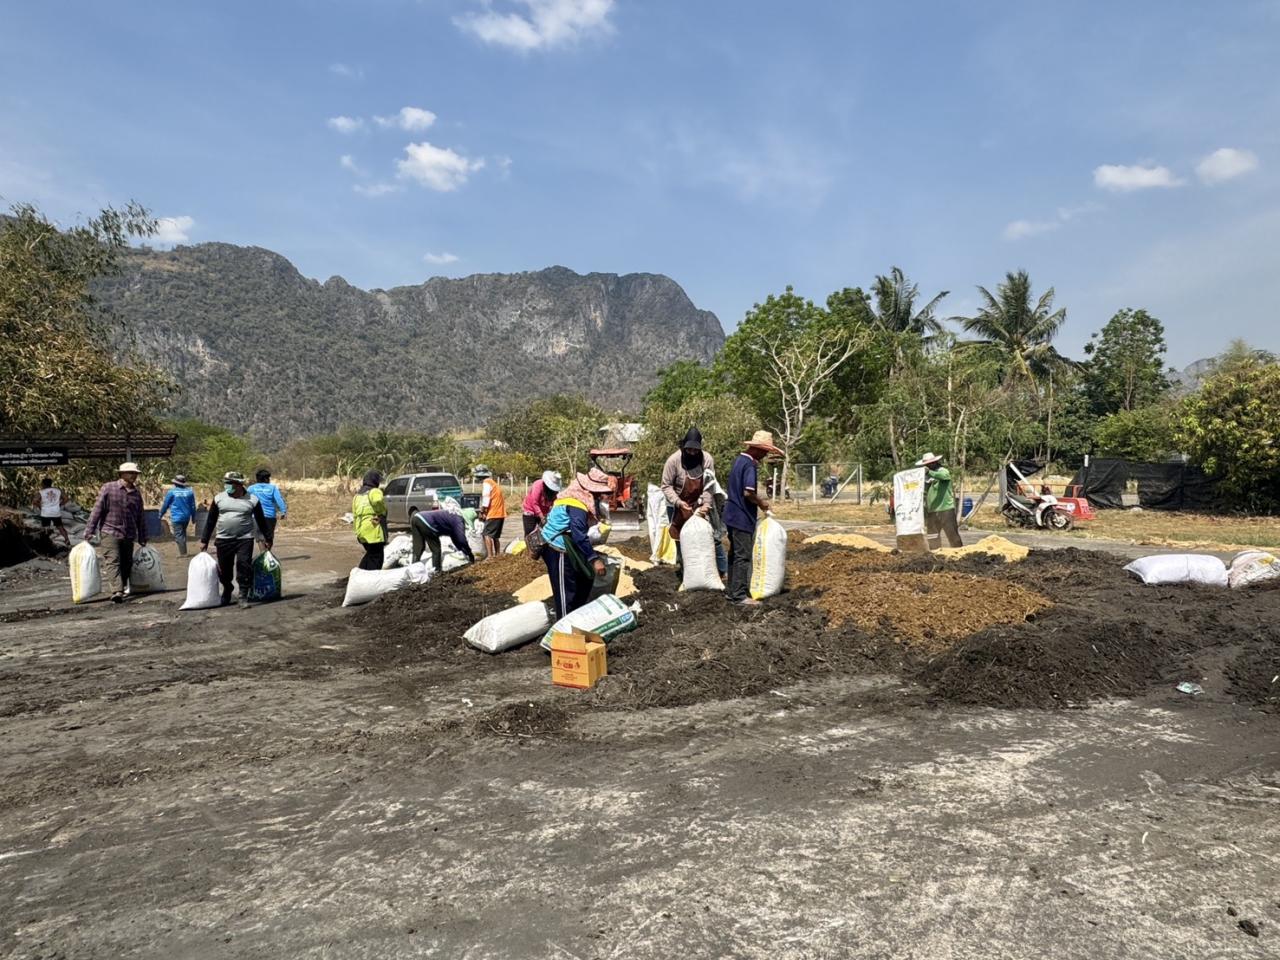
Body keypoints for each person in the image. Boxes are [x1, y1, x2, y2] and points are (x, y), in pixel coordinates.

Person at [540, 467, 612, 620]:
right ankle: (565, 628)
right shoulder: (576, 503)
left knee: (585, 577)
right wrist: (594, 559)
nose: (600, 497)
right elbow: (579, 534)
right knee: (566, 592)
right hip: (557, 547)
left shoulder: (577, 500)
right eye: (598, 494)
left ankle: (577, 617)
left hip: (570, 544)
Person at [723, 431, 781, 606]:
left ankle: (732, 591)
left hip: (731, 514)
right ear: (757, 449)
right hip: (741, 516)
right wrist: (762, 503)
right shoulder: (749, 464)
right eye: (764, 451)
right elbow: (748, 492)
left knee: (734, 554)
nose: (765, 455)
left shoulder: (738, 461)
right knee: (743, 555)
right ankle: (740, 595)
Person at [201, 471, 272, 607]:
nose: (227, 485)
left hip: (244, 539)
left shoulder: (253, 500)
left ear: (239, 485)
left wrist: (267, 538)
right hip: (223, 539)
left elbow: (261, 520)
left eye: (230, 483)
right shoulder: (218, 499)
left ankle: (243, 596)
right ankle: (228, 589)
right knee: (224, 570)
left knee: (244, 566)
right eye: (226, 483)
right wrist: (204, 540)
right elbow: (211, 521)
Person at [660, 427, 716, 573]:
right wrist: (678, 502)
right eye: (689, 450)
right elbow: (666, 486)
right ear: (684, 447)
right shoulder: (673, 461)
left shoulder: (707, 459)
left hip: (699, 503)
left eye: (695, 450)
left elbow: (709, 485)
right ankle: (685, 570)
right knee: (681, 538)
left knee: (706, 537)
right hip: (677, 504)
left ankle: (711, 571)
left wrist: (706, 504)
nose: (692, 453)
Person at [410, 507, 476, 572]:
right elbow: (461, 539)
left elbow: (455, 537)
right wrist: (469, 553)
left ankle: (413, 570)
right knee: (436, 550)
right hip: (428, 522)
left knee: (418, 548)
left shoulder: (453, 515)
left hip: (416, 518)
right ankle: (436, 571)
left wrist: (461, 550)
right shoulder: (459, 519)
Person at [919, 452, 963, 548]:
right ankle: (935, 554)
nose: (929, 465)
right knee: (932, 536)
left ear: (935, 462)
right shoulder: (926, 477)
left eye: (930, 463)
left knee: (952, 535)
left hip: (945, 509)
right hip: (932, 511)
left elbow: (944, 477)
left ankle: (959, 553)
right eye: (927, 464)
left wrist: (929, 472)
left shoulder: (943, 471)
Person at [351, 470, 387, 570]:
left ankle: (360, 574)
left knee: (370, 554)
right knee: (377, 557)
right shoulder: (374, 491)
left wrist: (357, 531)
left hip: (361, 530)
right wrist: (381, 512)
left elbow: (354, 515)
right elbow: (378, 500)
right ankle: (372, 579)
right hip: (373, 529)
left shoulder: (357, 495)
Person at [158, 474, 197, 557]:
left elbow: (166, 504)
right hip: (186, 517)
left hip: (176, 517)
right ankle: (183, 550)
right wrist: (193, 517)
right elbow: (193, 506)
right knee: (182, 533)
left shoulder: (172, 492)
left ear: (175, 483)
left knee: (178, 535)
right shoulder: (189, 492)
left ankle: (183, 553)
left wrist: (161, 514)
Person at [247, 469, 287, 545]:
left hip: (256, 517)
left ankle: (263, 553)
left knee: (260, 538)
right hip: (270, 516)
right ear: (266, 478)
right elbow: (279, 499)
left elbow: (245, 500)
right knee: (269, 537)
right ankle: (267, 553)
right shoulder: (273, 488)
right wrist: (283, 511)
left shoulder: (251, 488)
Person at [521, 470, 562, 541]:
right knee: (529, 533)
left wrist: (549, 516)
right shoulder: (538, 485)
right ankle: (529, 550)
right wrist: (542, 517)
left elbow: (553, 504)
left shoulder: (554, 492)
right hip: (530, 510)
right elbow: (534, 502)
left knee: (544, 533)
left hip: (544, 512)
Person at [477, 467, 507, 558]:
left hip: (493, 513)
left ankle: (490, 557)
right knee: (495, 536)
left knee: (487, 535)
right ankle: (497, 555)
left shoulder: (486, 483)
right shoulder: (494, 483)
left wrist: (482, 511)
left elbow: (486, 498)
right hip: (500, 513)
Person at [32, 477, 70, 547]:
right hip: (56, 513)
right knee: (60, 527)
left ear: (43, 484)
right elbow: (66, 499)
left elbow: (34, 501)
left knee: (46, 528)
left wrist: (40, 506)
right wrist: (60, 504)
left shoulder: (41, 492)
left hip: (45, 513)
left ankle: (46, 542)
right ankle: (67, 540)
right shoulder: (58, 490)